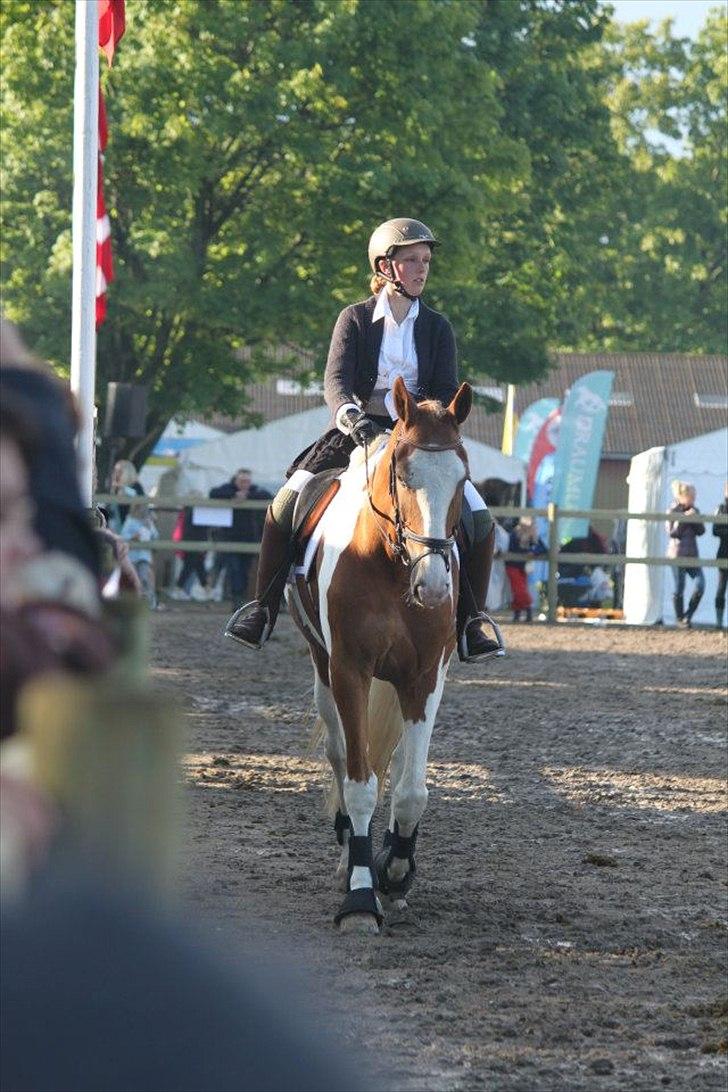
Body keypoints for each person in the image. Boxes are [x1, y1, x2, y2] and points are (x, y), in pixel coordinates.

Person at [225, 218, 502, 662]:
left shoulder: (437, 327)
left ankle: (472, 620)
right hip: (355, 434)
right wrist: (353, 418)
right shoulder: (353, 318)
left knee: (481, 519)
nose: (421, 269)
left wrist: (429, 421)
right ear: (385, 265)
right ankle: (262, 608)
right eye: (411, 260)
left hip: (416, 439)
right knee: (284, 505)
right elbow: (335, 381)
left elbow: (445, 388)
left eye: (426, 261)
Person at [209, 469, 272, 602]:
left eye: (247, 481)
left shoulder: (254, 490)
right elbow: (213, 493)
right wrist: (234, 495)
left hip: (249, 538)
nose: (245, 484)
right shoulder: (228, 489)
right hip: (229, 538)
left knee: (244, 570)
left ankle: (240, 598)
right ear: (235, 481)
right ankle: (236, 598)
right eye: (242, 481)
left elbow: (268, 496)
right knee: (234, 569)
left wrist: (247, 496)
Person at [666, 480, 705, 627]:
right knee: (679, 587)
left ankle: (688, 615)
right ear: (683, 496)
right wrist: (684, 519)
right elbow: (673, 533)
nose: (693, 500)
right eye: (691, 497)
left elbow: (701, 532)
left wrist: (695, 518)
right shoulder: (673, 510)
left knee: (700, 585)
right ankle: (679, 618)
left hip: (692, 555)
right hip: (677, 554)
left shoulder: (695, 510)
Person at [505, 516, 547, 623]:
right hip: (512, 565)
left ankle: (517, 615)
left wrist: (534, 551)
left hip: (523, 567)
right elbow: (514, 549)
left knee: (519, 591)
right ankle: (528, 611)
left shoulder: (533, 536)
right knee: (520, 591)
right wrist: (527, 549)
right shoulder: (515, 534)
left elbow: (543, 548)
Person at [119, 502, 160, 608]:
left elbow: (155, 536)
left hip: (144, 556)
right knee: (132, 579)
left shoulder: (148, 521)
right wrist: (133, 537)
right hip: (132, 556)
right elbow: (123, 535)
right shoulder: (130, 520)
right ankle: (131, 604)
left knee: (145, 578)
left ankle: (150, 603)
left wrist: (150, 526)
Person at [107, 459, 145, 533]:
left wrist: (123, 488)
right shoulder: (115, 489)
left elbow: (140, 504)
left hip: (132, 528)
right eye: (115, 471)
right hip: (117, 526)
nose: (116, 474)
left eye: (120, 471)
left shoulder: (136, 486)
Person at [713, 482, 728, 630]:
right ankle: (719, 621)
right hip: (724, 553)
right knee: (721, 587)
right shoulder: (720, 508)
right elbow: (715, 530)